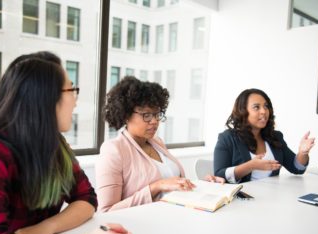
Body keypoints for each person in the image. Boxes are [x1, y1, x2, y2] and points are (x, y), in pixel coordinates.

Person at [0, 51, 134, 234]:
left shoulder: (55, 145)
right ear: (46, 98)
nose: (75, 101)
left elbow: (87, 199)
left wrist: (48, 227)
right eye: (72, 90)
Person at [96, 76, 224, 212]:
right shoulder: (114, 150)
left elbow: (172, 186)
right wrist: (155, 187)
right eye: (147, 115)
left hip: (176, 217)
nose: (154, 121)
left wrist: (203, 185)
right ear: (126, 115)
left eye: (157, 114)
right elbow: (107, 211)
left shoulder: (157, 142)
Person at [213, 88, 315, 183]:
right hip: (242, 199)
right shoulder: (227, 138)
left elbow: (297, 168)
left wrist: (303, 153)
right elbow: (219, 175)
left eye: (266, 106)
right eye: (256, 107)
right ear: (243, 111)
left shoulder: (275, 137)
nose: (264, 111)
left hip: (270, 198)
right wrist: (250, 166)